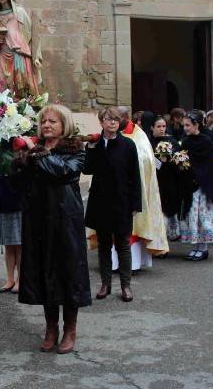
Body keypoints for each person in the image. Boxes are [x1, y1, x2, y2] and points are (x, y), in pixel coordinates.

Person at [13, 104, 90, 354]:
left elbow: (62, 171)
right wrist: (18, 160)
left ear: (64, 125)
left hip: (65, 218)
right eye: (43, 121)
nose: (46, 125)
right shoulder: (34, 150)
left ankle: (70, 330)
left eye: (52, 122)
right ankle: (51, 328)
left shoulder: (75, 149)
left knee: (68, 272)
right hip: (38, 218)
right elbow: (18, 181)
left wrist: (38, 155)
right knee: (44, 269)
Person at [83, 107, 141, 302]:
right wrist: (91, 149)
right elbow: (88, 169)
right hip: (101, 201)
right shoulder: (96, 144)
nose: (113, 123)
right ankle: (105, 284)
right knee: (104, 245)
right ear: (101, 122)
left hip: (122, 201)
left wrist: (135, 203)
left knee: (123, 244)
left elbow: (135, 176)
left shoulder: (128, 145)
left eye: (116, 120)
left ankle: (126, 286)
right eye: (108, 119)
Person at [112, 106, 169, 266]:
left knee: (133, 225)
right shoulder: (110, 133)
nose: (113, 122)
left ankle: (133, 263)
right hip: (114, 189)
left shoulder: (139, 136)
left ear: (125, 117)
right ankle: (114, 263)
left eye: (117, 118)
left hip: (133, 189)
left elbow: (145, 160)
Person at [178, 110, 213, 260]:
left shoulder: (206, 141)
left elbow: (210, 164)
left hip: (203, 186)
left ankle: (203, 247)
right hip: (189, 185)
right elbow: (183, 160)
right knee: (192, 215)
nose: (185, 128)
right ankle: (195, 245)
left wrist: (199, 176)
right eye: (184, 125)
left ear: (196, 125)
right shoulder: (185, 141)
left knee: (202, 216)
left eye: (188, 125)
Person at [0, 0, 43, 97]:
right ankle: (6, 108)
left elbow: (30, 34)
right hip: (3, 52)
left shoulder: (20, 12)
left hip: (19, 52)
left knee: (22, 81)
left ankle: (25, 106)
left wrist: (33, 53)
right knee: (4, 81)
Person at [151, 115, 181, 240]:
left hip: (169, 181)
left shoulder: (172, 142)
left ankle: (170, 235)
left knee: (168, 209)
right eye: (158, 126)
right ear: (152, 127)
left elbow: (179, 160)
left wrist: (169, 160)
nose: (162, 129)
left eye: (164, 126)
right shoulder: (148, 142)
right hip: (154, 181)